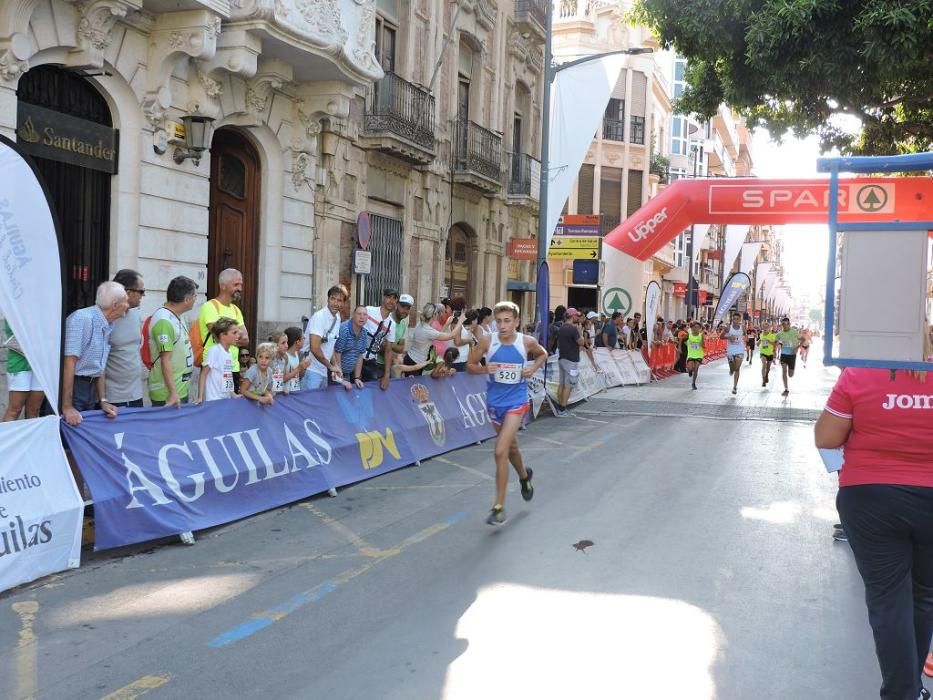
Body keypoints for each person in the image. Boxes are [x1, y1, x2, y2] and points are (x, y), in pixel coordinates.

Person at [815, 358, 933, 700]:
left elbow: (825, 437)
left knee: (888, 599)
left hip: (871, 499)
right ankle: (909, 689)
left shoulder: (863, 369)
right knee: (924, 596)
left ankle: (903, 693)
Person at [467, 301, 547, 526]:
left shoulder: (526, 342)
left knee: (500, 451)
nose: (502, 326)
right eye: (499, 321)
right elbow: (469, 365)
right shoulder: (486, 341)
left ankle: (498, 507)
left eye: (507, 321)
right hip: (494, 404)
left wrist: (532, 368)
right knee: (511, 448)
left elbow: (543, 354)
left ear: (517, 322)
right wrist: (484, 369)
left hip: (516, 403)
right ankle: (524, 477)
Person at [63, 281, 129, 426]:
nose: (128, 305)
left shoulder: (107, 323)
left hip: (90, 389)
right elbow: (69, 363)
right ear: (115, 305)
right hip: (75, 387)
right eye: (125, 301)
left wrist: (103, 400)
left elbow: (100, 366)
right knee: (69, 436)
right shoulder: (82, 319)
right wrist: (67, 406)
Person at [147, 276, 197, 408]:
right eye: (194, 296)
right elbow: (165, 359)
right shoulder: (164, 321)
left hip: (180, 390)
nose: (195, 300)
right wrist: (173, 393)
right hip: (168, 395)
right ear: (186, 299)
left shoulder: (176, 316)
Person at [198, 268, 249, 393]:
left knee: (232, 409)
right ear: (223, 286)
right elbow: (219, 335)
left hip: (233, 368)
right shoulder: (209, 307)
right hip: (215, 368)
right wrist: (236, 336)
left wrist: (229, 336)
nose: (240, 288)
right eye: (236, 284)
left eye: (241, 284)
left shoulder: (236, 310)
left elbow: (246, 339)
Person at [105, 269, 145, 408]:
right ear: (128, 293)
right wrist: (102, 399)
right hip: (113, 398)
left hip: (136, 395)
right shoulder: (106, 319)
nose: (143, 295)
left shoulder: (135, 316)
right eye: (141, 291)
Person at [302, 284, 346, 390]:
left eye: (339, 300)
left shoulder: (337, 318)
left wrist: (335, 366)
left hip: (323, 371)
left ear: (343, 303)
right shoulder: (319, 317)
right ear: (328, 299)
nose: (335, 303)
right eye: (333, 299)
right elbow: (315, 348)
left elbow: (330, 346)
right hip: (310, 370)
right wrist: (331, 367)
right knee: (309, 405)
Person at [2, 319, 44, 420]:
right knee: (15, 409)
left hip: (40, 365)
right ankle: (7, 436)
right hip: (19, 364)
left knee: (34, 410)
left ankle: (31, 436)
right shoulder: (15, 307)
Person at [404, 303, 463, 367]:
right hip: (415, 362)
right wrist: (460, 321)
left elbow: (437, 334)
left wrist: (447, 323)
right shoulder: (428, 330)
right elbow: (452, 336)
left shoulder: (421, 323)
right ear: (434, 315)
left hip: (412, 358)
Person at [195, 316, 239, 402]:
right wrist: (200, 397)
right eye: (234, 333)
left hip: (225, 398)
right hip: (214, 398)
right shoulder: (215, 350)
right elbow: (204, 374)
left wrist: (233, 394)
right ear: (223, 335)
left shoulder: (229, 352)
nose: (238, 336)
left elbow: (227, 376)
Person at [362, 288, 397, 389]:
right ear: (383, 298)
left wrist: (386, 375)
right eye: (389, 297)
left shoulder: (392, 324)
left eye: (394, 298)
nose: (391, 301)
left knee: (369, 392)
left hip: (371, 362)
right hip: (357, 357)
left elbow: (389, 350)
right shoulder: (369, 310)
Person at [555, 308, 585, 416]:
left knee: (562, 384)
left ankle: (560, 406)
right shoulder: (573, 329)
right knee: (568, 385)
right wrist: (580, 332)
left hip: (562, 358)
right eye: (576, 316)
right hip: (571, 360)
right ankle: (562, 408)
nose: (577, 317)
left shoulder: (561, 328)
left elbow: (558, 344)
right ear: (572, 316)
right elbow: (581, 342)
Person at [334, 305, 369, 391]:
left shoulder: (364, 333)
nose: (362, 317)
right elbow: (337, 353)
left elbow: (360, 356)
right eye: (359, 314)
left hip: (348, 374)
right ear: (353, 315)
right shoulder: (344, 329)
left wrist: (357, 378)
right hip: (335, 373)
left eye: (364, 314)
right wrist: (341, 379)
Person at [719, 312, 746, 395]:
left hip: (740, 349)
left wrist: (747, 339)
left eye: (737, 319)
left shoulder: (743, 327)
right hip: (731, 349)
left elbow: (745, 335)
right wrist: (729, 337)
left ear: (740, 320)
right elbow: (721, 337)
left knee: (737, 368)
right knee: (733, 368)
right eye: (734, 319)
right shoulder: (728, 328)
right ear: (732, 319)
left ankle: (735, 387)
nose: (735, 320)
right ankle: (731, 370)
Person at [775, 316, 801, 397]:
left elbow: (803, 339)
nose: (785, 326)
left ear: (789, 324)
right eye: (783, 324)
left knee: (790, 374)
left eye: (787, 324)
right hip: (783, 355)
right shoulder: (779, 334)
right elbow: (776, 342)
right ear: (782, 325)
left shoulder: (794, 332)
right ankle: (786, 389)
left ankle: (791, 371)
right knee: (784, 371)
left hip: (792, 355)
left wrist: (797, 347)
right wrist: (777, 347)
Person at [283, 327, 309, 393]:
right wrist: (299, 368)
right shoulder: (285, 356)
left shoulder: (297, 354)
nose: (305, 339)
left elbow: (298, 376)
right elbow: (282, 379)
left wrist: (303, 368)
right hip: (285, 394)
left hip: (295, 392)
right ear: (297, 342)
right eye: (303, 338)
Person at [391, 293, 415, 358]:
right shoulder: (387, 319)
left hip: (391, 363)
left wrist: (390, 345)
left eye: (408, 308)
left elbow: (401, 349)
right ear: (396, 304)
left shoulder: (403, 325)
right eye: (403, 306)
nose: (405, 310)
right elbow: (380, 345)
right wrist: (395, 346)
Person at [685, 321, 706, 390]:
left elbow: (704, 345)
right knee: (690, 368)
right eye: (694, 327)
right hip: (691, 354)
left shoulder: (701, 335)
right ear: (692, 328)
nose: (696, 329)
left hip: (699, 354)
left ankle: (693, 383)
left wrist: (702, 343)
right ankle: (690, 371)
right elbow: (681, 340)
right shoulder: (689, 335)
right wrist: (680, 347)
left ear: (700, 328)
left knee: (696, 368)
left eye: (697, 327)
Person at [758, 321, 777, 388]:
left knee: (768, 368)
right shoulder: (761, 334)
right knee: (764, 365)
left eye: (767, 327)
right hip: (763, 352)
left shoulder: (772, 336)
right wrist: (758, 343)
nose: (765, 328)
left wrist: (770, 342)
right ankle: (763, 380)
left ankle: (766, 376)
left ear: (769, 328)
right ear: (763, 328)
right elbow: (759, 341)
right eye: (764, 327)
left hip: (770, 353)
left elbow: (775, 344)